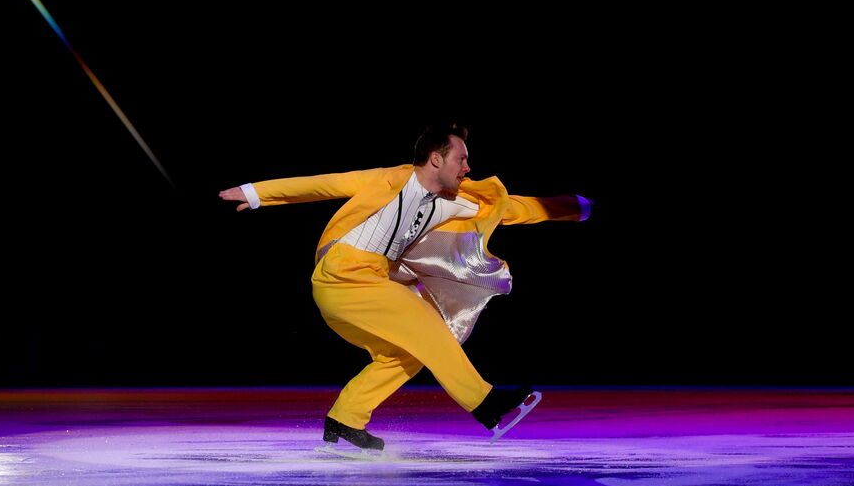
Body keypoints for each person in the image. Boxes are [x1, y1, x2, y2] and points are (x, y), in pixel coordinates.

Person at [219, 123, 590, 453]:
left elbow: (514, 209)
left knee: (407, 353)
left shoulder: (455, 202)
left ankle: (346, 417)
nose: (468, 168)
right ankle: (485, 402)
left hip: (370, 284)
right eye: (461, 159)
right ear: (435, 159)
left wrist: (574, 207)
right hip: (342, 275)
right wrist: (256, 193)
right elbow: (325, 183)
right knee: (428, 324)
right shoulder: (390, 180)